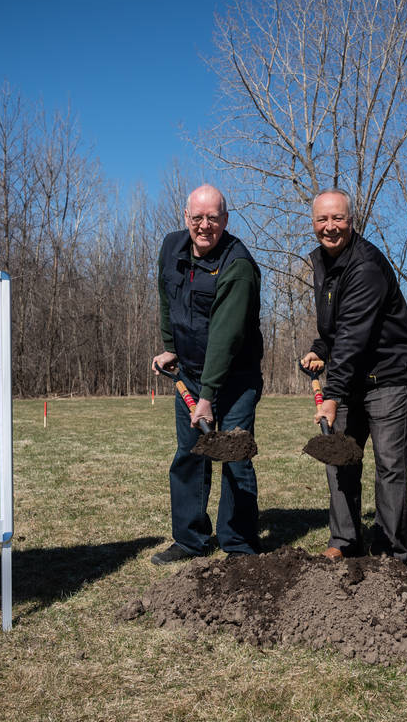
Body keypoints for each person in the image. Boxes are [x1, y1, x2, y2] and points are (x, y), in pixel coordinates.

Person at [300, 190, 407, 561]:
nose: (330, 227)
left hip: (388, 374)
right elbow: (338, 329)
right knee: (341, 457)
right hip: (352, 374)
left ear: (352, 221)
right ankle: (344, 541)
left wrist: (332, 395)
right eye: (323, 219)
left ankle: (388, 549)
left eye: (338, 219)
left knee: (390, 464)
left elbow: (354, 335)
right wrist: (321, 349)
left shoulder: (365, 265)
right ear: (313, 222)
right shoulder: (323, 261)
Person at [150, 184, 263, 563]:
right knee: (189, 454)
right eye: (197, 217)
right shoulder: (171, 247)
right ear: (186, 218)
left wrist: (208, 397)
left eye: (212, 218)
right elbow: (167, 297)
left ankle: (239, 544)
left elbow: (226, 337)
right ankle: (189, 539)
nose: (204, 225)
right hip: (192, 371)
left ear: (225, 221)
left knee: (234, 454)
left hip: (234, 376)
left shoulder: (238, 266)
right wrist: (170, 346)